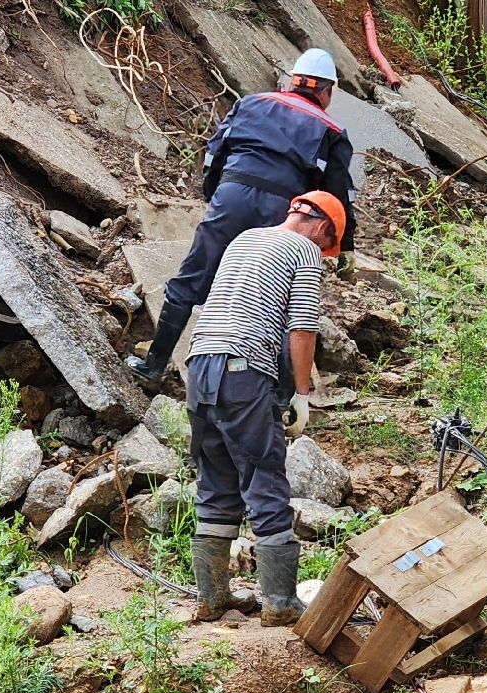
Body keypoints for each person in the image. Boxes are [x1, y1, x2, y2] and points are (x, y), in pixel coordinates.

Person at [126, 48, 358, 389]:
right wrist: (345, 246)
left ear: (293, 81)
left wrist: (214, 195)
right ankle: (278, 397)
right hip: (282, 212)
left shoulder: (251, 103)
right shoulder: (333, 131)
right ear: (326, 91)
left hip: (232, 197)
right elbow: (337, 195)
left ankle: (153, 365)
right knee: (277, 298)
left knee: (192, 278)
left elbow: (214, 154)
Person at [183, 190, 346, 626]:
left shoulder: (246, 238)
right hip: (242, 369)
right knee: (263, 476)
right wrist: (301, 391)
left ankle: (213, 597)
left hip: (200, 368)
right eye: (329, 246)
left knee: (216, 479)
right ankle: (278, 602)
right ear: (323, 229)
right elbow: (303, 327)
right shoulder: (306, 250)